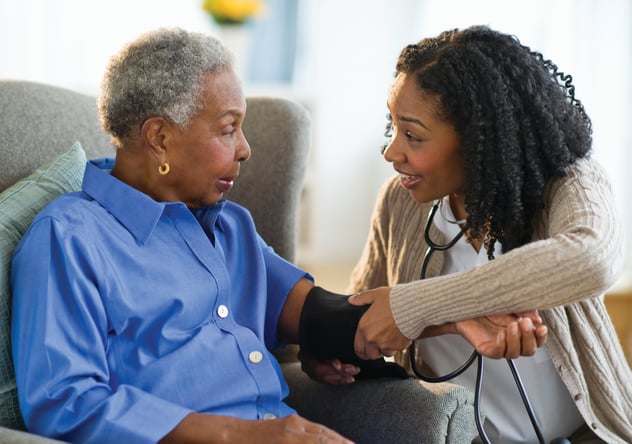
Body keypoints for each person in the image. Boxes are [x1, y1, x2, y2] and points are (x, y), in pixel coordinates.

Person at [10, 27, 545, 443]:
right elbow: (66, 404)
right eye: (227, 128)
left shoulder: (230, 227)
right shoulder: (70, 238)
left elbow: (326, 317)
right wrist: (253, 437)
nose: (245, 149)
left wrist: (457, 317)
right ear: (159, 137)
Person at [336, 26, 630, 443]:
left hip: (591, 434)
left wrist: (417, 306)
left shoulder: (570, 182)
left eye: (413, 136)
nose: (392, 152)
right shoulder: (399, 202)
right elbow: (367, 321)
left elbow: (591, 259)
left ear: (478, 139)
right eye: (393, 128)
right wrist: (451, 319)